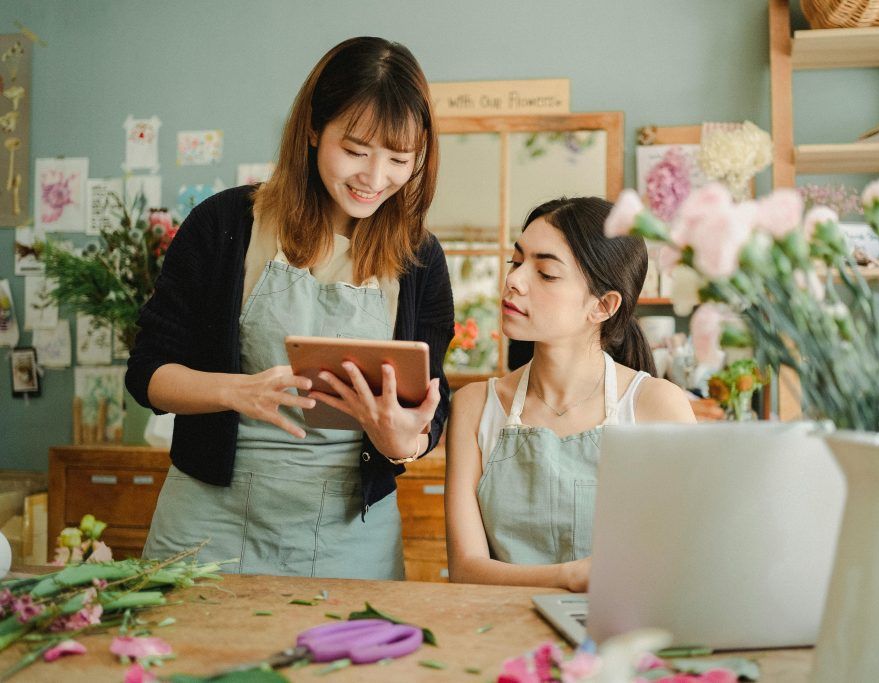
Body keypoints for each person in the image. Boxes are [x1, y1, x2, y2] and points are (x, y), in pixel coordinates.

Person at [126, 37, 454, 580]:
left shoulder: (420, 257)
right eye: (355, 150)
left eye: (400, 159)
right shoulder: (224, 224)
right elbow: (147, 375)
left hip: (352, 531)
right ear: (311, 129)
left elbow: (431, 405)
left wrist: (405, 442)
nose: (375, 179)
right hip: (207, 520)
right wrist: (237, 390)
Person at [444, 197, 696, 592]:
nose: (514, 280)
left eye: (545, 273)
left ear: (602, 306)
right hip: (496, 635)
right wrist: (570, 575)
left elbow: (685, 556)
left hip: (619, 636)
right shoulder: (475, 406)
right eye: (516, 261)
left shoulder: (657, 406)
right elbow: (466, 568)